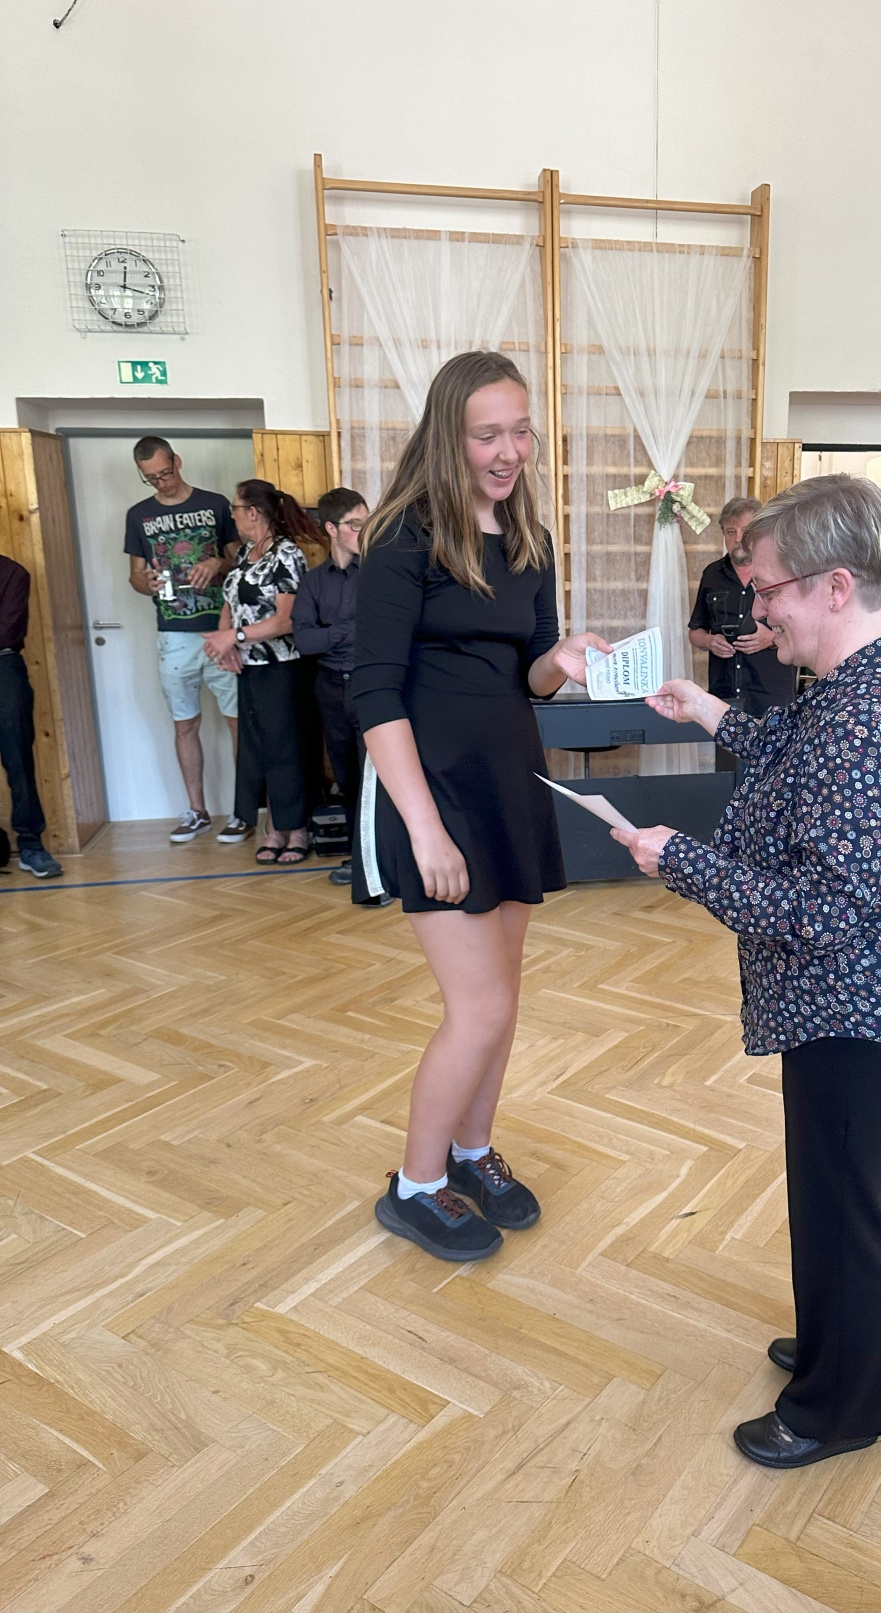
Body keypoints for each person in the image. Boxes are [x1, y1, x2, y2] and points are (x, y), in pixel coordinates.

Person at [614, 475, 881, 1470]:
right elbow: (800, 750)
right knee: (858, 1194)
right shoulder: (878, 676)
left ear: (834, 585)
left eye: (768, 588)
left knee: (839, 1206)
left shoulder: (862, 718)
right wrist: (712, 714)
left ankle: (842, 1406)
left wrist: (679, 861)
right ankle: (868, 1349)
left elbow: (819, 915)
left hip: (861, 1011)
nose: (757, 608)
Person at [352, 350, 610, 1263]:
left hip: (510, 789)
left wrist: (561, 660)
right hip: (436, 797)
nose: (509, 452)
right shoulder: (403, 537)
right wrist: (424, 829)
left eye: (521, 431)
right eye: (488, 434)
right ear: (447, 436)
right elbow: (374, 693)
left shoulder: (527, 535)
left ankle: (471, 1151)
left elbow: (527, 671)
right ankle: (415, 1185)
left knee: (502, 1001)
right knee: (479, 1008)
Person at [124, 436, 246, 843]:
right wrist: (145, 582)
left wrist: (217, 562)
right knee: (184, 724)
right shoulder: (138, 515)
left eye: (165, 473)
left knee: (237, 722)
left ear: (177, 461)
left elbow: (241, 561)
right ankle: (197, 811)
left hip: (221, 628)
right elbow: (134, 577)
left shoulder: (215, 505)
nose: (162, 482)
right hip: (174, 633)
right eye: (152, 478)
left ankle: (243, 810)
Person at [203, 480, 315, 864]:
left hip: (281, 667)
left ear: (253, 512)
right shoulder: (244, 553)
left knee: (286, 749)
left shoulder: (287, 555)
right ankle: (274, 827)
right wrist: (226, 642)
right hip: (249, 668)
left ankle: (296, 829)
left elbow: (286, 620)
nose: (232, 515)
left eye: (235, 508)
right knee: (258, 751)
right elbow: (231, 602)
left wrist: (234, 636)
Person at [293, 487, 367, 890]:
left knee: (376, 777)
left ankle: (378, 860)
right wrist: (347, 630)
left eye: (367, 523)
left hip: (370, 685)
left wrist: (330, 633)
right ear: (331, 529)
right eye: (355, 524)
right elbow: (305, 642)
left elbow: (376, 632)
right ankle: (359, 857)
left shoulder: (377, 575)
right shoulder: (313, 582)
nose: (363, 531)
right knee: (347, 777)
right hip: (330, 688)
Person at [689, 495, 798, 719]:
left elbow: (804, 627)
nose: (738, 538)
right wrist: (710, 641)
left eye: (745, 531)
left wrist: (771, 638)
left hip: (771, 697)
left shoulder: (784, 571)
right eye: (731, 531)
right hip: (724, 697)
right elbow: (695, 632)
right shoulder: (712, 574)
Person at [0, 554, 62, 878]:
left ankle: (31, 845)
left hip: (3, 668)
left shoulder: (12, 573)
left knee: (18, 761)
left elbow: (6, 631)